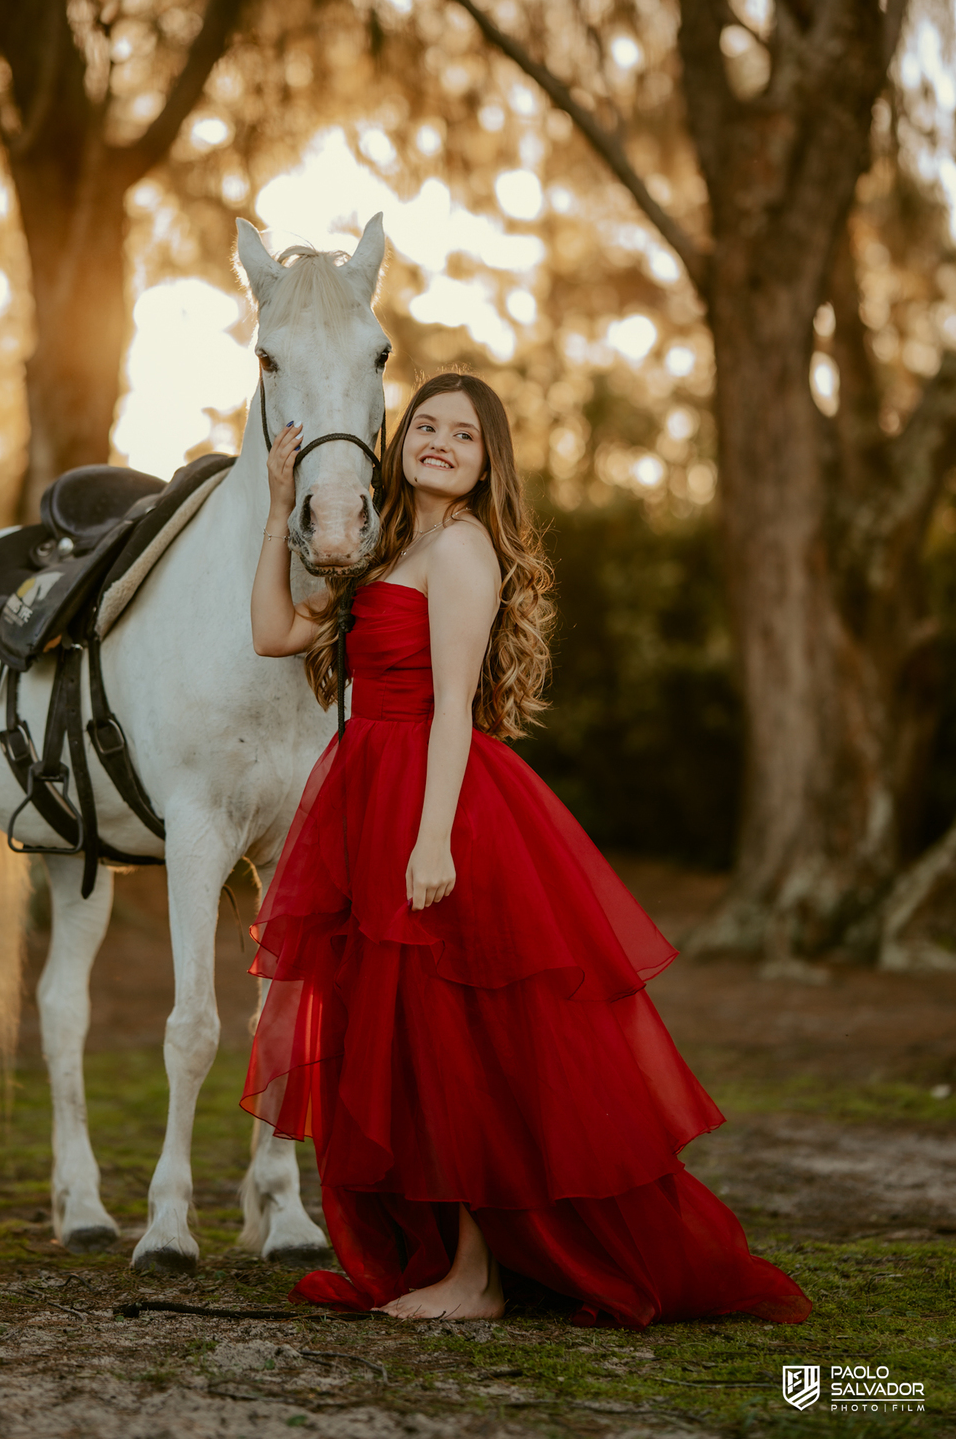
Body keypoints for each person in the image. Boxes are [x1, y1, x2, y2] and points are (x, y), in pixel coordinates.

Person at [244, 371, 810, 1327]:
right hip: (369, 796)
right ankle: (458, 1258)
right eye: (424, 425)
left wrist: (431, 843)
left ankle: (477, 1276)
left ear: (485, 460)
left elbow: (456, 711)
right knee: (411, 1045)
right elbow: (270, 633)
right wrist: (274, 510)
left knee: (452, 1040)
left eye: (461, 435)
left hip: (436, 805)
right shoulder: (387, 548)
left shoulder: (461, 552)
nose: (437, 442)